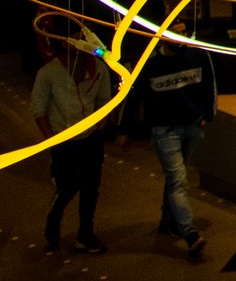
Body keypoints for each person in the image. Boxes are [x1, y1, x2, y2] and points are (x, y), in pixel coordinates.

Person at [124, 18, 215, 260]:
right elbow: (134, 97)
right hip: (166, 130)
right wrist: (124, 129)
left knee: (177, 175)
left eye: (185, 33)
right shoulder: (150, 64)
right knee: (178, 180)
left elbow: (208, 85)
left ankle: (167, 220)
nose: (182, 39)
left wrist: (208, 115)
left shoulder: (197, 56)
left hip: (192, 125)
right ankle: (190, 234)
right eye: (177, 34)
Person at [31, 19, 113, 254]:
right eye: (74, 39)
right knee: (67, 187)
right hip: (62, 140)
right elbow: (39, 108)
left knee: (91, 188)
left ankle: (85, 234)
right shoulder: (48, 74)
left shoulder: (97, 68)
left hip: (90, 139)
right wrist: (52, 140)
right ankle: (53, 223)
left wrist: (100, 124)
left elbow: (104, 101)